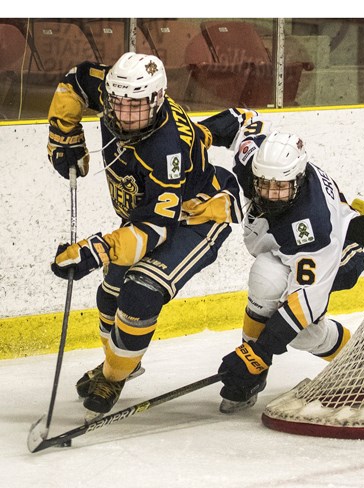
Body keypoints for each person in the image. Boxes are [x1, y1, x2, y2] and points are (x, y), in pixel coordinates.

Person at [47, 52, 256, 418]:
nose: (123, 116)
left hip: (195, 216)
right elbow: (76, 80)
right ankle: (120, 363)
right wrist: (65, 133)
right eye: (117, 104)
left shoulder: (166, 148)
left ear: (157, 100)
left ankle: (114, 375)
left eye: (136, 108)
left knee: (140, 292)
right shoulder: (117, 91)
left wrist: (97, 250)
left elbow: (157, 228)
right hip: (147, 217)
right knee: (109, 294)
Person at [203, 126, 364, 413]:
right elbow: (240, 125)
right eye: (265, 185)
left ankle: (360, 357)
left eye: (281, 187)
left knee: (299, 332)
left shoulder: (313, 224)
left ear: (297, 180)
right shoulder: (257, 163)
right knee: (266, 277)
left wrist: (259, 352)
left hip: (338, 255)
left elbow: (304, 304)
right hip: (283, 246)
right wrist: (200, 132)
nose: (271, 194)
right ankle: (252, 375)